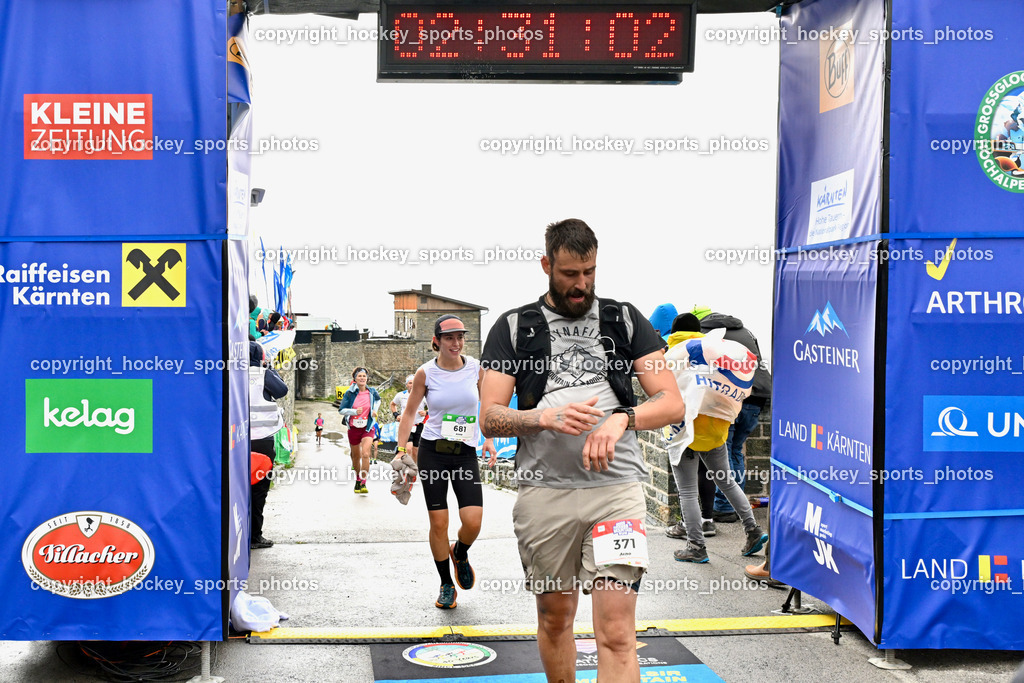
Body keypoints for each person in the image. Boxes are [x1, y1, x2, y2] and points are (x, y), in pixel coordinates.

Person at [479, 219, 684, 683]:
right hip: (544, 493)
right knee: (556, 619)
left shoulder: (625, 319)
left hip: (616, 492)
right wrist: (541, 418)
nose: (582, 285)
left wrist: (623, 417)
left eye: (589, 272)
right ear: (547, 265)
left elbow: (671, 402)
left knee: (616, 630)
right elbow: (489, 417)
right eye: (570, 274)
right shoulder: (514, 328)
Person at [397, 314, 497, 610]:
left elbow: (489, 406)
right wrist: (402, 449)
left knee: (473, 521)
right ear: (437, 341)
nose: (456, 343)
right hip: (433, 452)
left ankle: (460, 552)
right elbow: (409, 413)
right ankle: (445, 584)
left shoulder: (477, 369)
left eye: (460, 337)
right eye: (450, 338)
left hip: (464, 453)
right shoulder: (425, 374)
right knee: (439, 523)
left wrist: (488, 438)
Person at [662, 313, 767, 564]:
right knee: (727, 482)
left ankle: (696, 546)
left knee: (687, 492)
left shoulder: (673, 355)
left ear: (673, 333)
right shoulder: (714, 352)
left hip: (683, 432)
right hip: (715, 432)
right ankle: (753, 530)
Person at [692, 306, 772, 523]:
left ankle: (724, 508)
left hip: (733, 397)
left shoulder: (708, 334)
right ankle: (737, 506)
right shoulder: (746, 332)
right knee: (736, 451)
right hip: (759, 396)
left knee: (723, 453)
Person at [249, 341, 288, 549]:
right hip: (262, 440)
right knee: (259, 489)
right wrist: (270, 369)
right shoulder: (262, 373)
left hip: (234, 440)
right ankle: (255, 536)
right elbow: (282, 391)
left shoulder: (228, 371)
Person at [338, 367, 381, 494]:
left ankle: (363, 481)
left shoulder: (372, 392)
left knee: (366, 454)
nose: (362, 378)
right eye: (359, 376)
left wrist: (375, 410)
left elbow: (378, 400)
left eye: (364, 376)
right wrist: (354, 412)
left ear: (367, 378)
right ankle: (357, 478)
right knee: (355, 457)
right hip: (353, 428)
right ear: (355, 379)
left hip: (368, 427)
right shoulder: (349, 393)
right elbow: (341, 410)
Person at [391, 374, 427, 460]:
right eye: (410, 383)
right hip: (406, 424)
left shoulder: (423, 395)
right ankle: (407, 468)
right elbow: (392, 404)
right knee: (408, 448)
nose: (412, 385)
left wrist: (426, 412)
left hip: (418, 425)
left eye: (414, 383)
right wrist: (396, 415)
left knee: (415, 451)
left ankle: (413, 470)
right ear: (406, 384)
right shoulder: (401, 395)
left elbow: (433, 407)